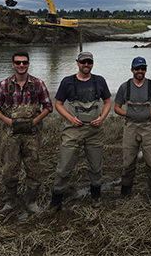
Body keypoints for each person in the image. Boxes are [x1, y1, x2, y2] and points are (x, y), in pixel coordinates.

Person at [0, 51, 53, 217]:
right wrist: (8, 121)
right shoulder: (4, 85)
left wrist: (36, 120)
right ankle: (10, 202)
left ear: (28, 64)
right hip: (11, 134)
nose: (21, 65)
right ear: (13, 65)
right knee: (9, 168)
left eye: (24, 62)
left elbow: (48, 106)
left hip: (32, 135)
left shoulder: (38, 84)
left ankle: (31, 202)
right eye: (18, 63)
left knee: (33, 168)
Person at [48, 52, 111, 210]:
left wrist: (102, 117)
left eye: (89, 62)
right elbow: (59, 104)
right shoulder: (67, 82)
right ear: (77, 63)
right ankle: (56, 200)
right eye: (83, 62)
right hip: (73, 130)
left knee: (96, 166)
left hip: (95, 131)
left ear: (93, 63)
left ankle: (96, 197)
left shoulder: (100, 81)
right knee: (64, 166)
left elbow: (108, 101)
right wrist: (71, 118)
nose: (86, 65)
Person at [114, 56, 151, 200]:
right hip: (130, 128)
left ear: (146, 70)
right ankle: (125, 194)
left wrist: (149, 114)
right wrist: (129, 114)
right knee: (128, 162)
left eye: (142, 68)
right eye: (137, 68)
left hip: (148, 128)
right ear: (132, 70)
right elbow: (116, 108)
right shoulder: (125, 87)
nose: (140, 71)